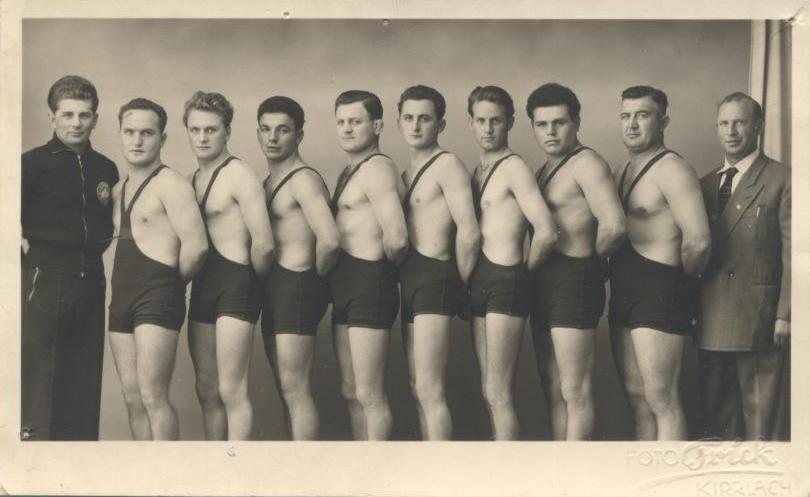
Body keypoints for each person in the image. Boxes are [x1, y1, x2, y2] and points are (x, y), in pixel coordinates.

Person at [609, 86, 711, 441]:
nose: (632, 124)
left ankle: (672, 474)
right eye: (626, 116)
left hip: (660, 287)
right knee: (637, 399)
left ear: (663, 121)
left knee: (661, 398)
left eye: (643, 115)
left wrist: (677, 284)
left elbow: (698, 240)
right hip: (625, 287)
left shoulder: (673, 169)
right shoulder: (621, 169)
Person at [21, 75, 120, 440]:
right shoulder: (30, 164)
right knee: (41, 383)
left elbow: (108, 226)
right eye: (67, 114)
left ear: (95, 118)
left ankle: (79, 466)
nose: (76, 123)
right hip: (44, 280)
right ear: (52, 117)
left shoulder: (106, 168)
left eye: (84, 115)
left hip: (90, 281)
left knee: (83, 381)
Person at [525, 83, 625, 440]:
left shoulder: (588, 164)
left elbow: (614, 225)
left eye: (559, 122)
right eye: (542, 124)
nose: (550, 131)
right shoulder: (542, 170)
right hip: (545, 281)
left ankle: (576, 468)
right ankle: (559, 466)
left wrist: (587, 264)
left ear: (576, 122)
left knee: (574, 389)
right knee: (552, 386)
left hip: (574, 276)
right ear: (533, 127)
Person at [108, 98, 208, 440]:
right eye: (129, 132)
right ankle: (144, 470)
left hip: (158, 296)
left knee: (153, 395)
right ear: (121, 134)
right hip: (121, 297)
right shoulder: (118, 189)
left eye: (147, 133)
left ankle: (166, 470)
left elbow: (197, 246)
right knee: (132, 398)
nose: (137, 141)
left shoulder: (172, 184)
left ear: (162, 138)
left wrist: (168, 286)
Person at [697, 92, 790, 441]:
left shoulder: (783, 179)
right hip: (709, 318)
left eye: (739, 122)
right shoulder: (705, 185)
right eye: (724, 123)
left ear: (758, 127)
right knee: (718, 426)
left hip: (759, 319)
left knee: (761, 426)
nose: (731, 131)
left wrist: (786, 314)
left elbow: (796, 254)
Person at [467, 85, 557, 440]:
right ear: (471, 123)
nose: (488, 128)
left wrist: (521, 275)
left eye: (496, 121)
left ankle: (507, 469)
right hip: (481, 280)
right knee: (488, 391)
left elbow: (546, 231)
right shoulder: (477, 170)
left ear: (510, 123)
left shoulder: (515, 168)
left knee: (498, 391)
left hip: (506, 279)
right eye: (481, 121)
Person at [184, 91, 275, 440]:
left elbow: (264, 243)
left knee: (232, 389)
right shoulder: (193, 178)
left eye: (211, 129)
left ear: (227, 132)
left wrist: (249, 285)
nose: (202, 137)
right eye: (195, 130)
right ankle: (216, 466)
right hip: (204, 286)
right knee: (206, 389)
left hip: (237, 283)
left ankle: (238, 466)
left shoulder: (239, 174)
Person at [396, 85, 480, 440]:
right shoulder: (405, 172)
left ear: (440, 124)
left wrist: (460, 285)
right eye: (409, 118)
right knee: (417, 386)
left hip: (437, 276)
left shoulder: (448, 165)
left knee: (430, 389)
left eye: (425, 118)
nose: (415, 126)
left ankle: (440, 467)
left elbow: (469, 231)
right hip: (411, 279)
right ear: (399, 122)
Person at [257, 96, 339, 440]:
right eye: (265, 129)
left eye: (283, 130)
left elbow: (330, 240)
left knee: (296, 389)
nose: (273, 137)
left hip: (297, 286)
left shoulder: (302, 179)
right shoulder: (269, 181)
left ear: (299, 135)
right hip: (277, 290)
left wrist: (309, 279)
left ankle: (306, 468)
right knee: (286, 390)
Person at [330, 90, 408, 440]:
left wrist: (378, 276)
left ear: (376, 126)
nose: (347, 129)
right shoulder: (350, 170)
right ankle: (361, 466)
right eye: (341, 122)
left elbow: (397, 238)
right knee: (350, 390)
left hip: (370, 280)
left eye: (355, 121)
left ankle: (377, 470)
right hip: (347, 284)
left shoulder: (378, 169)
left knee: (369, 393)